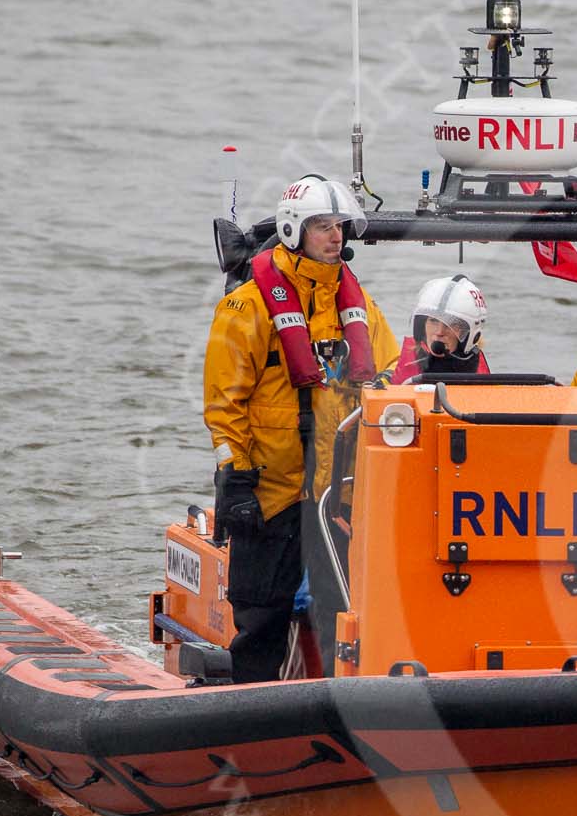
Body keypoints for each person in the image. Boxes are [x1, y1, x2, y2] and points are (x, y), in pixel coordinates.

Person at [202, 174, 399, 684]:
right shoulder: (247, 306)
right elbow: (224, 405)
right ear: (294, 231)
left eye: (339, 227)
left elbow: (395, 376)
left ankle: (342, 708)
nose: (335, 237)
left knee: (343, 612)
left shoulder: (359, 306)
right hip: (270, 488)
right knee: (261, 612)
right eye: (321, 227)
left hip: (337, 491)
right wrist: (235, 475)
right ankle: (250, 708)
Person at [393, 273, 490, 381]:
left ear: (470, 336)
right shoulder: (405, 365)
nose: (439, 332)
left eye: (452, 324)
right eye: (433, 321)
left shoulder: (477, 368)